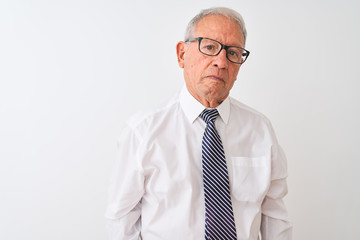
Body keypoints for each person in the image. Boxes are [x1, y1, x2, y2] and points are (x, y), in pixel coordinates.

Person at [105, 7, 292, 240]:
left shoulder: (260, 130)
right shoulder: (143, 131)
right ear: (182, 54)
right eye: (210, 47)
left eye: (233, 53)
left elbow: (275, 218)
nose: (221, 61)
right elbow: (121, 220)